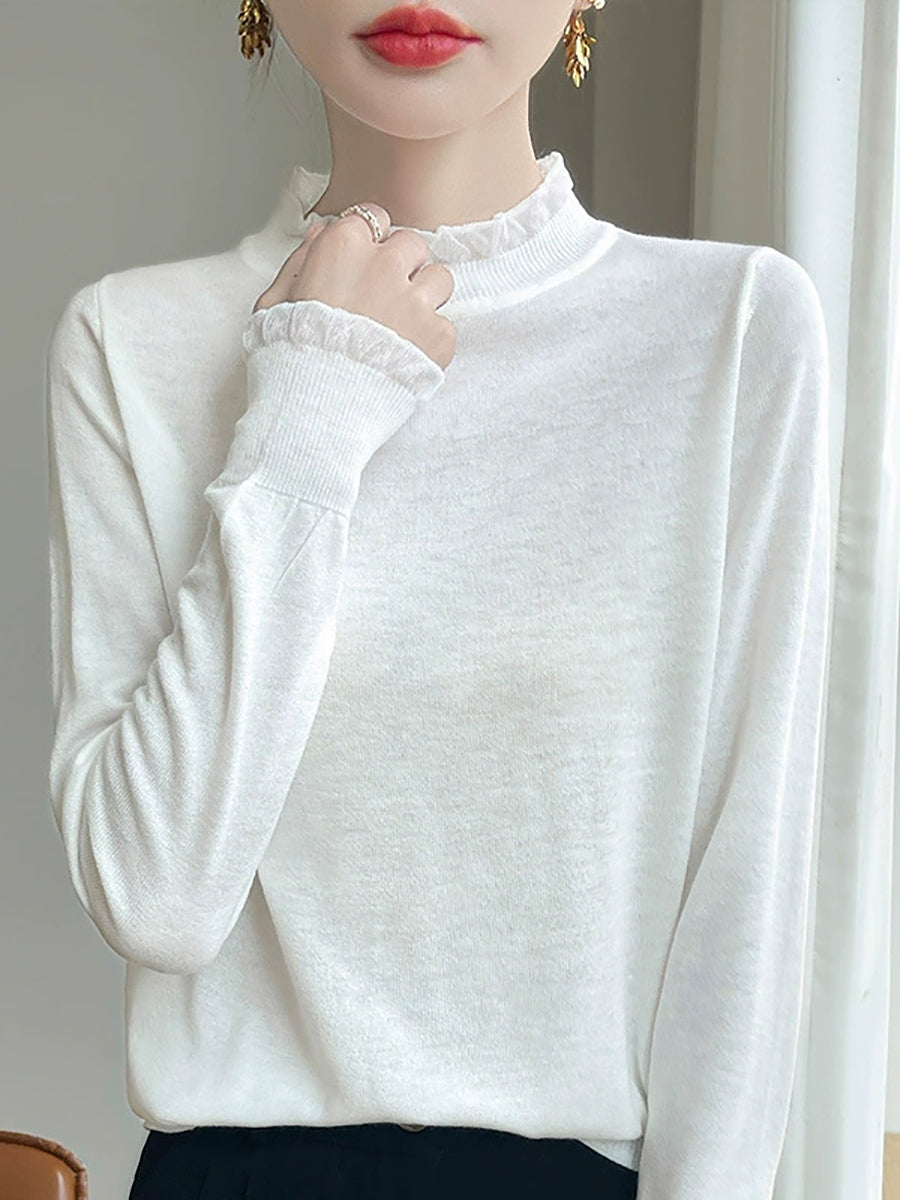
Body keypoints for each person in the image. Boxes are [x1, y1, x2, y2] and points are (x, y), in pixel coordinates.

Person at [43, 1, 833, 1197]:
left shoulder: (732, 330)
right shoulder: (126, 342)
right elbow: (157, 898)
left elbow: (746, 900)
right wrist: (309, 407)